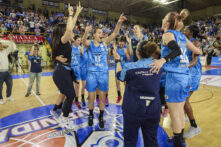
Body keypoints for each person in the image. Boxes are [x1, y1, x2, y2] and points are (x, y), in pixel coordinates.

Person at [149, 9, 202, 147]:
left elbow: (176, 51)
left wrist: (162, 61)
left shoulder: (167, 34)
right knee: (179, 110)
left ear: (167, 23)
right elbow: (198, 51)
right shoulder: (183, 37)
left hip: (175, 77)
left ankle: (178, 142)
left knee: (175, 113)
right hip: (185, 76)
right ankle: (179, 139)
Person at [82, 13, 127, 129]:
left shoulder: (105, 42)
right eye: (99, 32)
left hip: (103, 74)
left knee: (102, 97)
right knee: (91, 97)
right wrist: (86, 32)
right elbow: (83, 42)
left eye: (102, 33)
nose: (101, 34)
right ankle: (91, 115)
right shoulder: (90, 44)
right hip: (91, 74)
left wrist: (119, 22)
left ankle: (101, 117)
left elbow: (115, 33)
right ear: (94, 35)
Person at [114, 40, 162, 147]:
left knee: (130, 141)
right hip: (153, 109)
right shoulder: (159, 66)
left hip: (133, 109)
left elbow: (119, 76)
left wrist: (117, 60)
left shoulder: (129, 67)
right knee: (151, 141)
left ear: (138, 53)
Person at [51, 3, 82, 129]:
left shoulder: (62, 41)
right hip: (62, 71)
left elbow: (71, 28)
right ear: (62, 32)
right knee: (70, 95)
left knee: (67, 94)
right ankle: (63, 119)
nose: (70, 31)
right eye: (67, 30)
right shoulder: (62, 40)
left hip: (63, 71)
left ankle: (57, 111)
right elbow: (70, 30)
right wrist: (70, 14)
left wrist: (76, 13)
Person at [183, 25, 202, 138]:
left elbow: (195, 61)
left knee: (184, 99)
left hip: (193, 73)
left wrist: (184, 67)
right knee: (184, 99)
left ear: (190, 32)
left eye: (186, 29)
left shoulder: (195, 43)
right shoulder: (186, 41)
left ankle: (194, 127)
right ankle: (184, 117)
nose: (184, 30)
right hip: (188, 72)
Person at [0, 34, 16, 104]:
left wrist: (11, 39)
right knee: (0, 87)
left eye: (1, 46)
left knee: (10, 84)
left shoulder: (5, 52)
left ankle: (8, 96)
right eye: (0, 46)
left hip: (7, 72)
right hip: (0, 73)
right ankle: (0, 99)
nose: (1, 47)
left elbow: (11, 47)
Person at [114, 36, 130, 103]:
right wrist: (115, 51)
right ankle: (119, 96)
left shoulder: (126, 49)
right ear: (118, 42)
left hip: (124, 68)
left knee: (125, 84)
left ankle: (126, 97)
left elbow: (128, 59)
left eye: (122, 44)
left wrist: (126, 53)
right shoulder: (115, 48)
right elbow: (115, 58)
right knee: (117, 83)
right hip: (117, 67)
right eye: (120, 43)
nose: (121, 45)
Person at [70, 35, 84, 109]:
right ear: (74, 40)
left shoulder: (79, 48)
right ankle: (69, 103)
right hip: (70, 69)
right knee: (70, 87)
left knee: (77, 86)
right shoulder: (69, 47)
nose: (79, 42)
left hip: (77, 69)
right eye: (78, 40)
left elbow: (83, 57)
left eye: (80, 40)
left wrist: (82, 53)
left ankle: (76, 100)